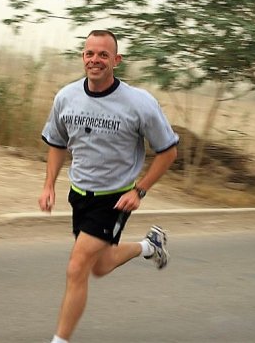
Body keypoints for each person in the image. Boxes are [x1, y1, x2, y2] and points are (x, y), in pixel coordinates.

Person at [39, 29, 179, 343]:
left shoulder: (139, 102)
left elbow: (168, 151)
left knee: (77, 268)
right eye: (90, 53)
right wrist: (48, 185)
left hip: (115, 199)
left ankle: (59, 340)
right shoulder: (66, 97)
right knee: (99, 267)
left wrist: (139, 190)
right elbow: (57, 143)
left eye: (103, 54)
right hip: (80, 195)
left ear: (116, 60)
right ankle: (149, 246)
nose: (95, 60)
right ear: (83, 58)